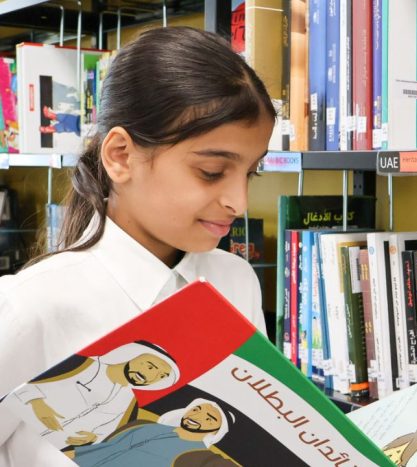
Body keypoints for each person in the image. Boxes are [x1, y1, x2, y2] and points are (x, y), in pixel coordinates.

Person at [0, 25, 275, 466]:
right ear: (121, 156)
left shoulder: (234, 280)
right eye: (210, 171)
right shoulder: (31, 306)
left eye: (251, 173)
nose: (238, 202)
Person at [3, 341, 179, 450]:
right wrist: (37, 404)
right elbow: (20, 382)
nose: (151, 376)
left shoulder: (130, 403)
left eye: (161, 376)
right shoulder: (80, 363)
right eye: (149, 366)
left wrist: (93, 438)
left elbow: (108, 434)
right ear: (131, 355)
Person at [65, 398, 239, 466]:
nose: (198, 416)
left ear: (217, 430)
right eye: (196, 409)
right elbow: (105, 448)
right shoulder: (142, 424)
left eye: (209, 418)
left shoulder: (202, 457)